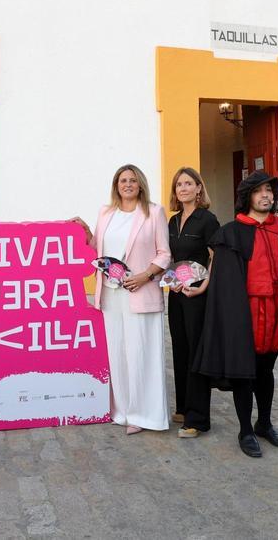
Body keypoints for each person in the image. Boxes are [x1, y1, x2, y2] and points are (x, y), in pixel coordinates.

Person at [187, 171, 278, 456]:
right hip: (245, 312)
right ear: (247, 196)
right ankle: (245, 430)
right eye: (259, 191)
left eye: (270, 190)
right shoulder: (230, 232)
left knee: (266, 370)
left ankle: (264, 423)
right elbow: (224, 282)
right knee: (243, 373)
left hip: (277, 309)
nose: (266, 195)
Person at [83, 164, 172, 434]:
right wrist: (84, 231)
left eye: (133, 180)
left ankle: (144, 415)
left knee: (141, 354)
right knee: (117, 354)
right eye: (123, 180)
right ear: (116, 185)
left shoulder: (153, 212)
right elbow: (97, 247)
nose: (128, 184)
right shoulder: (105, 212)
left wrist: (145, 276)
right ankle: (120, 410)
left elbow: (164, 254)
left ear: (140, 184)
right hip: (111, 295)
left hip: (140, 293)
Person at [166, 167, 220, 428]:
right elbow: (173, 258)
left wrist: (205, 286)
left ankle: (198, 418)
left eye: (189, 183)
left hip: (198, 294)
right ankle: (184, 407)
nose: (183, 188)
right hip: (177, 293)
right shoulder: (173, 221)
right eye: (179, 185)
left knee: (197, 351)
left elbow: (216, 256)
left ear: (199, 188)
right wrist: (172, 280)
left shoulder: (207, 219)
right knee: (180, 348)